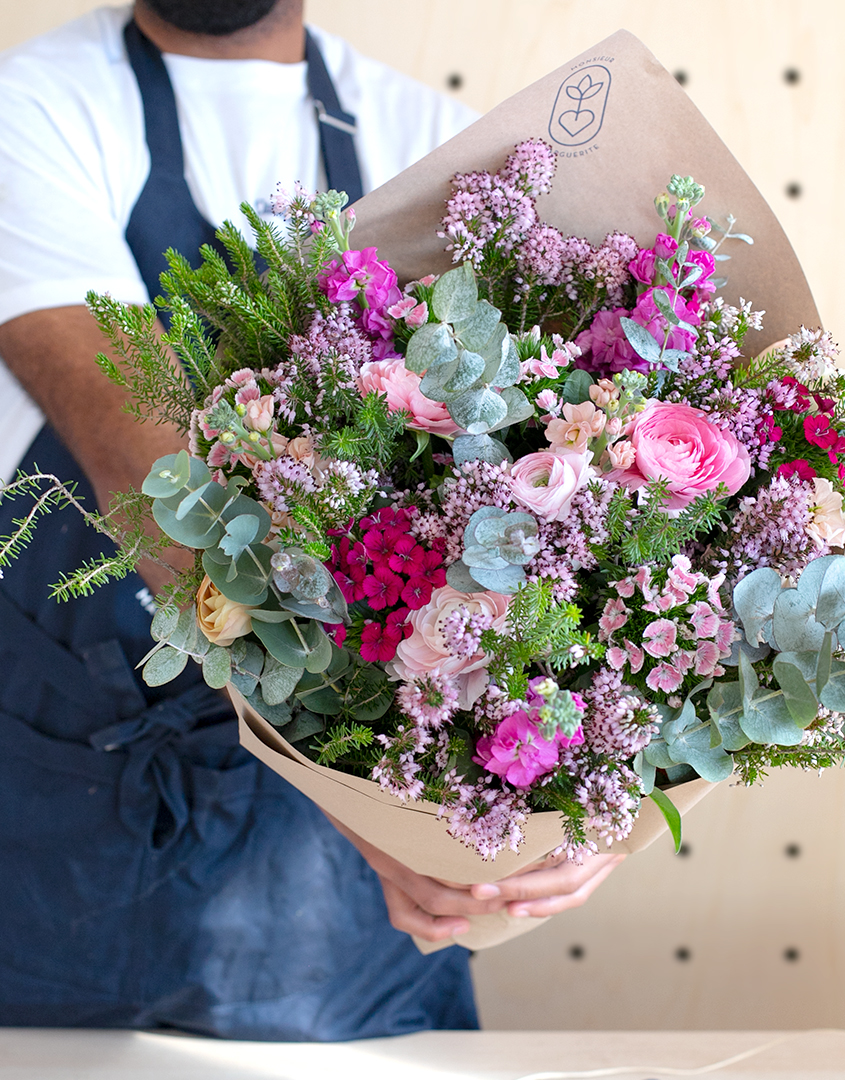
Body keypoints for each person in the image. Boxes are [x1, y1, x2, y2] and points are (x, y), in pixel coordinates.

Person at [0, 0, 623, 1041]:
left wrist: (588, 796)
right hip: (73, 833)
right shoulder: (33, 110)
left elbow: (549, 499)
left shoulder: (446, 150)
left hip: (336, 879)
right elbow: (150, 472)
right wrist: (372, 811)